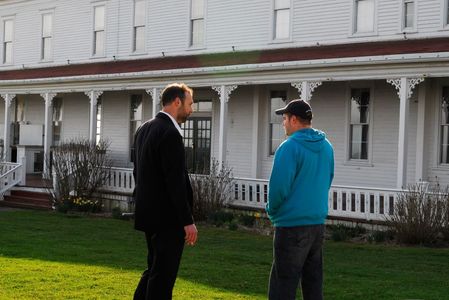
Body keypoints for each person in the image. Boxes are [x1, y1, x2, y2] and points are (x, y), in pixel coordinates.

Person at [132, 83, 198, 300]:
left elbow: (138, 173)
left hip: (148, 215)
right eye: (189, 104)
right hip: (167, 219)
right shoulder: (169, 133)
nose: (191, 109)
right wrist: (187, 220)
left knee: (153, 270)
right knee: (163, 277)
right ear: (176, 102)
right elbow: (175, 182)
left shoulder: (144, 129)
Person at [266, 99, 334, 300]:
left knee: (283, 286)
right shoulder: (327, 147)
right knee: (313, 285)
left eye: (285, 118)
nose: (283, 123)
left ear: (294, 119)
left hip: (291, 226)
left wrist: (272, 210)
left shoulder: (289, 147)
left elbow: (278, 187)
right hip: (316, 225)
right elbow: (327, 179)